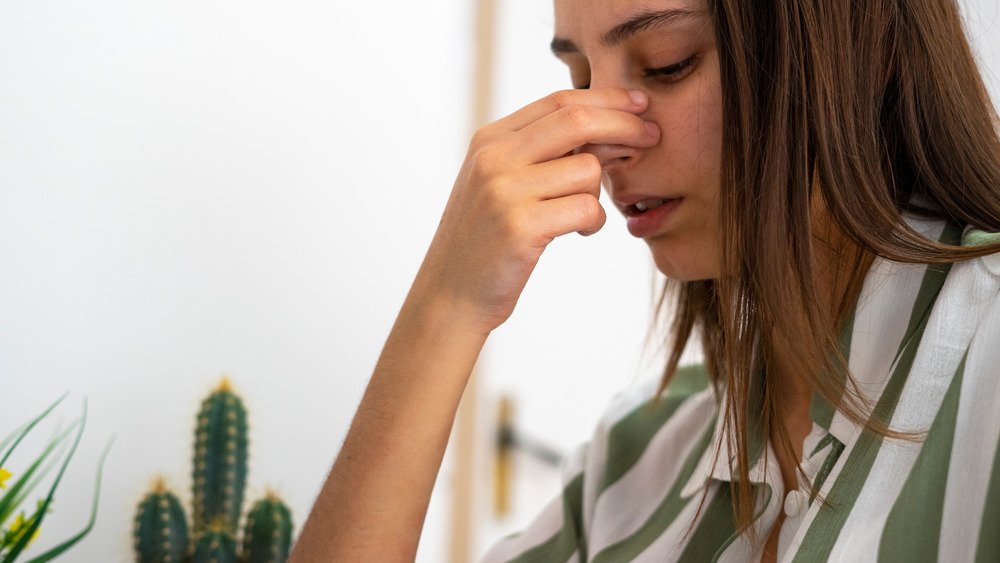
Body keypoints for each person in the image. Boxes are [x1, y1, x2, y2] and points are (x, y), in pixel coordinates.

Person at [290, 0, 1000, 560]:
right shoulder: (629, 472)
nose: (599, 134)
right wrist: (444, 310)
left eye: (666, 63)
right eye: (580, 79)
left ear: (865, 45)